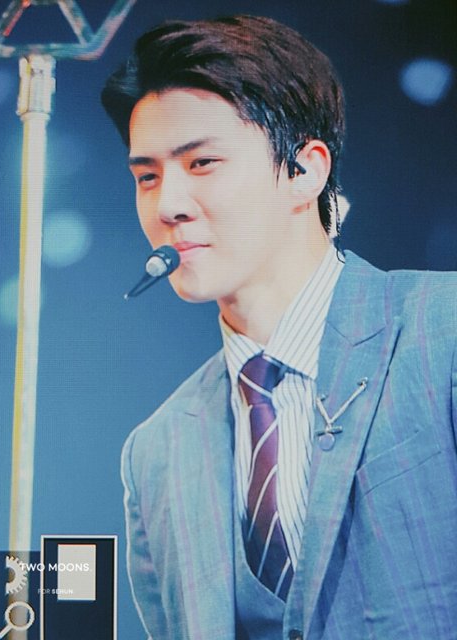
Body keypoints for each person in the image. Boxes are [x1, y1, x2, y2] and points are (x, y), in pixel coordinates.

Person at [102, 15, 457, 640]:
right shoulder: (157, 451)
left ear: (304, 170)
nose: (168, 206)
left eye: (202, 163)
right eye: (147, 176)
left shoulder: (442, 330)